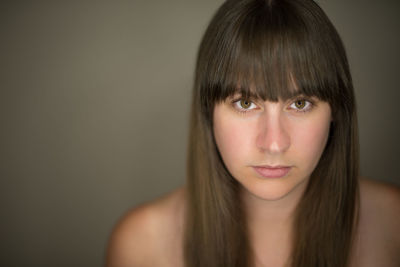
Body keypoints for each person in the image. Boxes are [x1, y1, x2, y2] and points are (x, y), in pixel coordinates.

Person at [106, 0, 400, 266]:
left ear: (336, 110)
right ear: (208, 110)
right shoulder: (142, 245)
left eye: (300, 103)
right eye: (245, 103)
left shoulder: (394, 223)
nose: (273, 143)